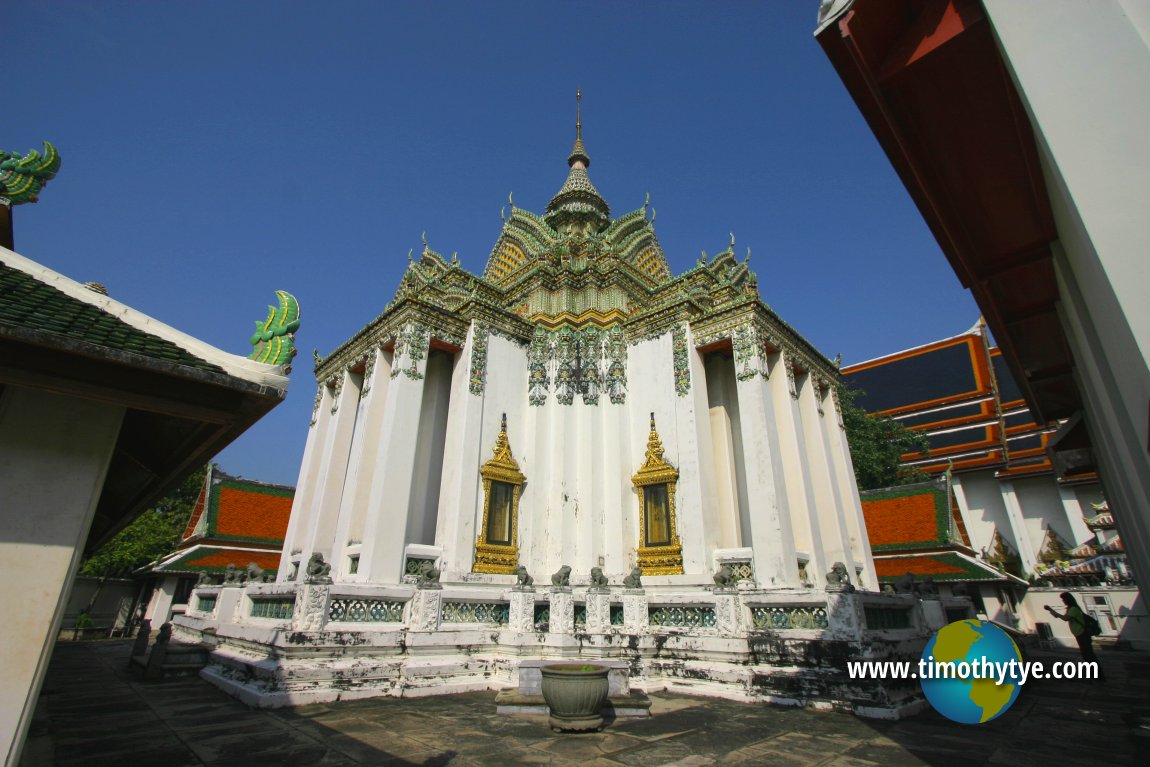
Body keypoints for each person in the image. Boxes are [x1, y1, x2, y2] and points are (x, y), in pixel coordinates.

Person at [1045, 592, 1103, 678]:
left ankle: (1098, 675)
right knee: (1087, 655)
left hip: (1082, 634)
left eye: (1064, 600)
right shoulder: (1071, 609)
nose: (1063, 601)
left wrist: (1052, 611)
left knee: (1088, 655)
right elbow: (1061, 617)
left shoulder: (1073, 609)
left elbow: (1065, 618)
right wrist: (1051, 610)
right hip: (1080, 634)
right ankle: (1095, 674)